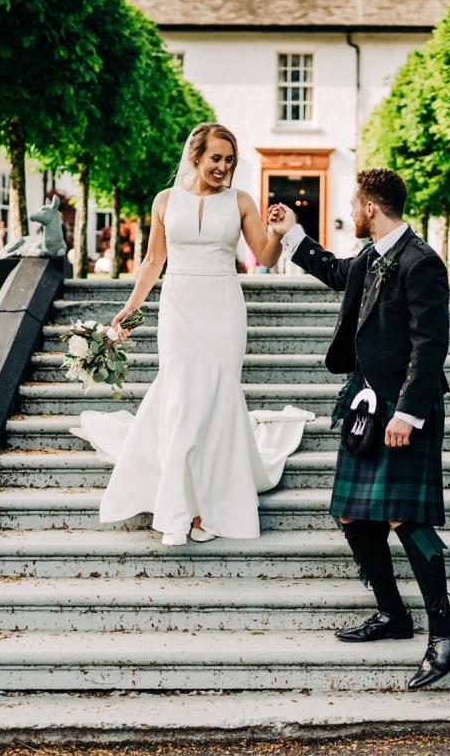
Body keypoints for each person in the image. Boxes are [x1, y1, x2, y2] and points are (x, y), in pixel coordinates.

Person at [268, 168, 450, 692]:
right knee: (355, 516)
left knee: (407, 518)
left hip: (403, 409)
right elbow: (337, 272)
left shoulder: (420, 262)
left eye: (355, 206)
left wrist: (408, 413)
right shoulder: (373, 257)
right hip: (365, 404)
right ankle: (393, 615)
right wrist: (294, 233)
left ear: (371, 208)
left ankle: (445, 632)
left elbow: (430, 345)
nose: (352, 214)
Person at [75, 123, 310, 546]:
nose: (223, 166)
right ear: (196, 156)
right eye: (216, 158)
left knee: (217, 397)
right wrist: (129, 310)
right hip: (179, 307)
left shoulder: (241, 201)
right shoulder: (165, 201)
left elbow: (266, 258)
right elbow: (152, 261)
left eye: (230, 160)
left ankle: (207, 508)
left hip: (223, 307)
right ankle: (178, 509)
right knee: (182, 398)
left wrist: (276, 232)